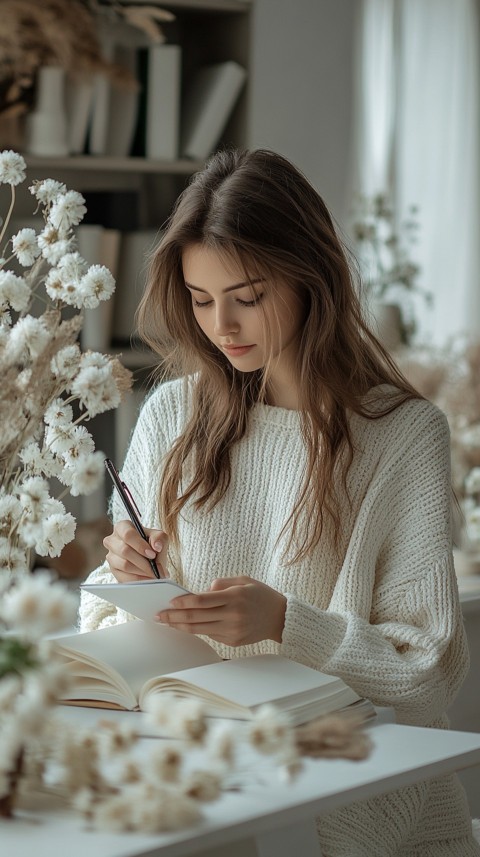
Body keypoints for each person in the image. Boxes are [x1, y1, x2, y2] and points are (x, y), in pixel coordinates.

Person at [79, 148, 479, 856]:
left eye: (248, 296)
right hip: (198, 763)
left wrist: (288, 621)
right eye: (201, 301)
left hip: (345, 776)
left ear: (309, 275)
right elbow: (106, 628)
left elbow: (429, 666)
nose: (222, 326)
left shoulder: (402, 434)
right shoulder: (172, 415)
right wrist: (124, 579)